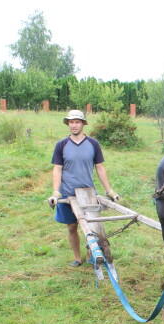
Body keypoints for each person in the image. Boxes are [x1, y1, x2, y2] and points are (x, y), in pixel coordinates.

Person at [47, 110, 120, 267]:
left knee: (91, 226)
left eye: (77, 122)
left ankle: (90, 255)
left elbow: (100, 168)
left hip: (88, 193)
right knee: (72, 226)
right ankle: (77, 258)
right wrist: (56, 192)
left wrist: (110, 191)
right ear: (68, 124)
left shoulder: (93, 144)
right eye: (71, 122)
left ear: (83, 124)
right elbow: (57, 169)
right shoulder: (61, 145)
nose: (74, 125)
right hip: (67, 193)